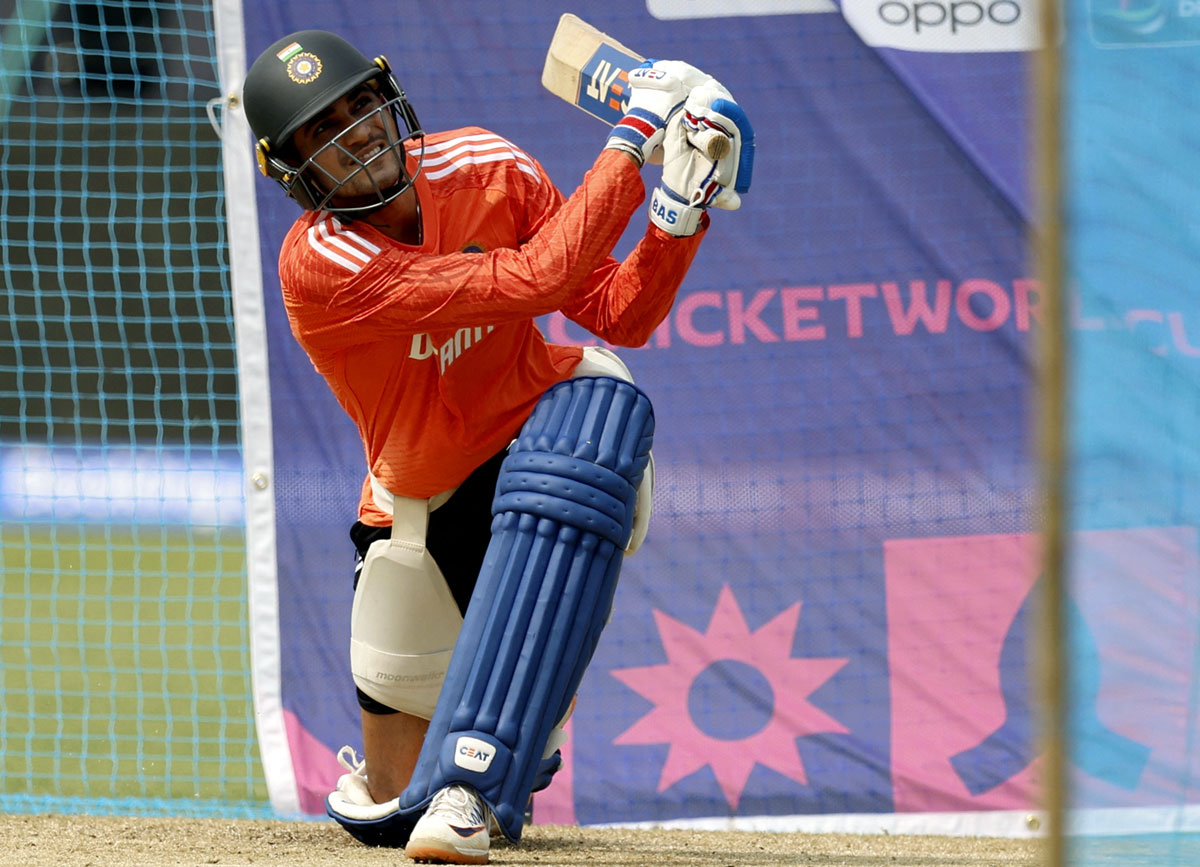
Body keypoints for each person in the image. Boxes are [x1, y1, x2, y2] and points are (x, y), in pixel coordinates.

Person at [241, 28, 751, 864]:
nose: (359, 131)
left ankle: (483, 760)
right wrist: (631, 138)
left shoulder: (485, 165)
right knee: (395, 811)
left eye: (363, 105)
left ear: (391, 100)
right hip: (414, 504)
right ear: (296, 172)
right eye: (323, 130)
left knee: (601, 408)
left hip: (537, 449)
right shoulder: (321, 265)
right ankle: (498, 734)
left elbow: (618, 312)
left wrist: (678, 209)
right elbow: (534, 280)